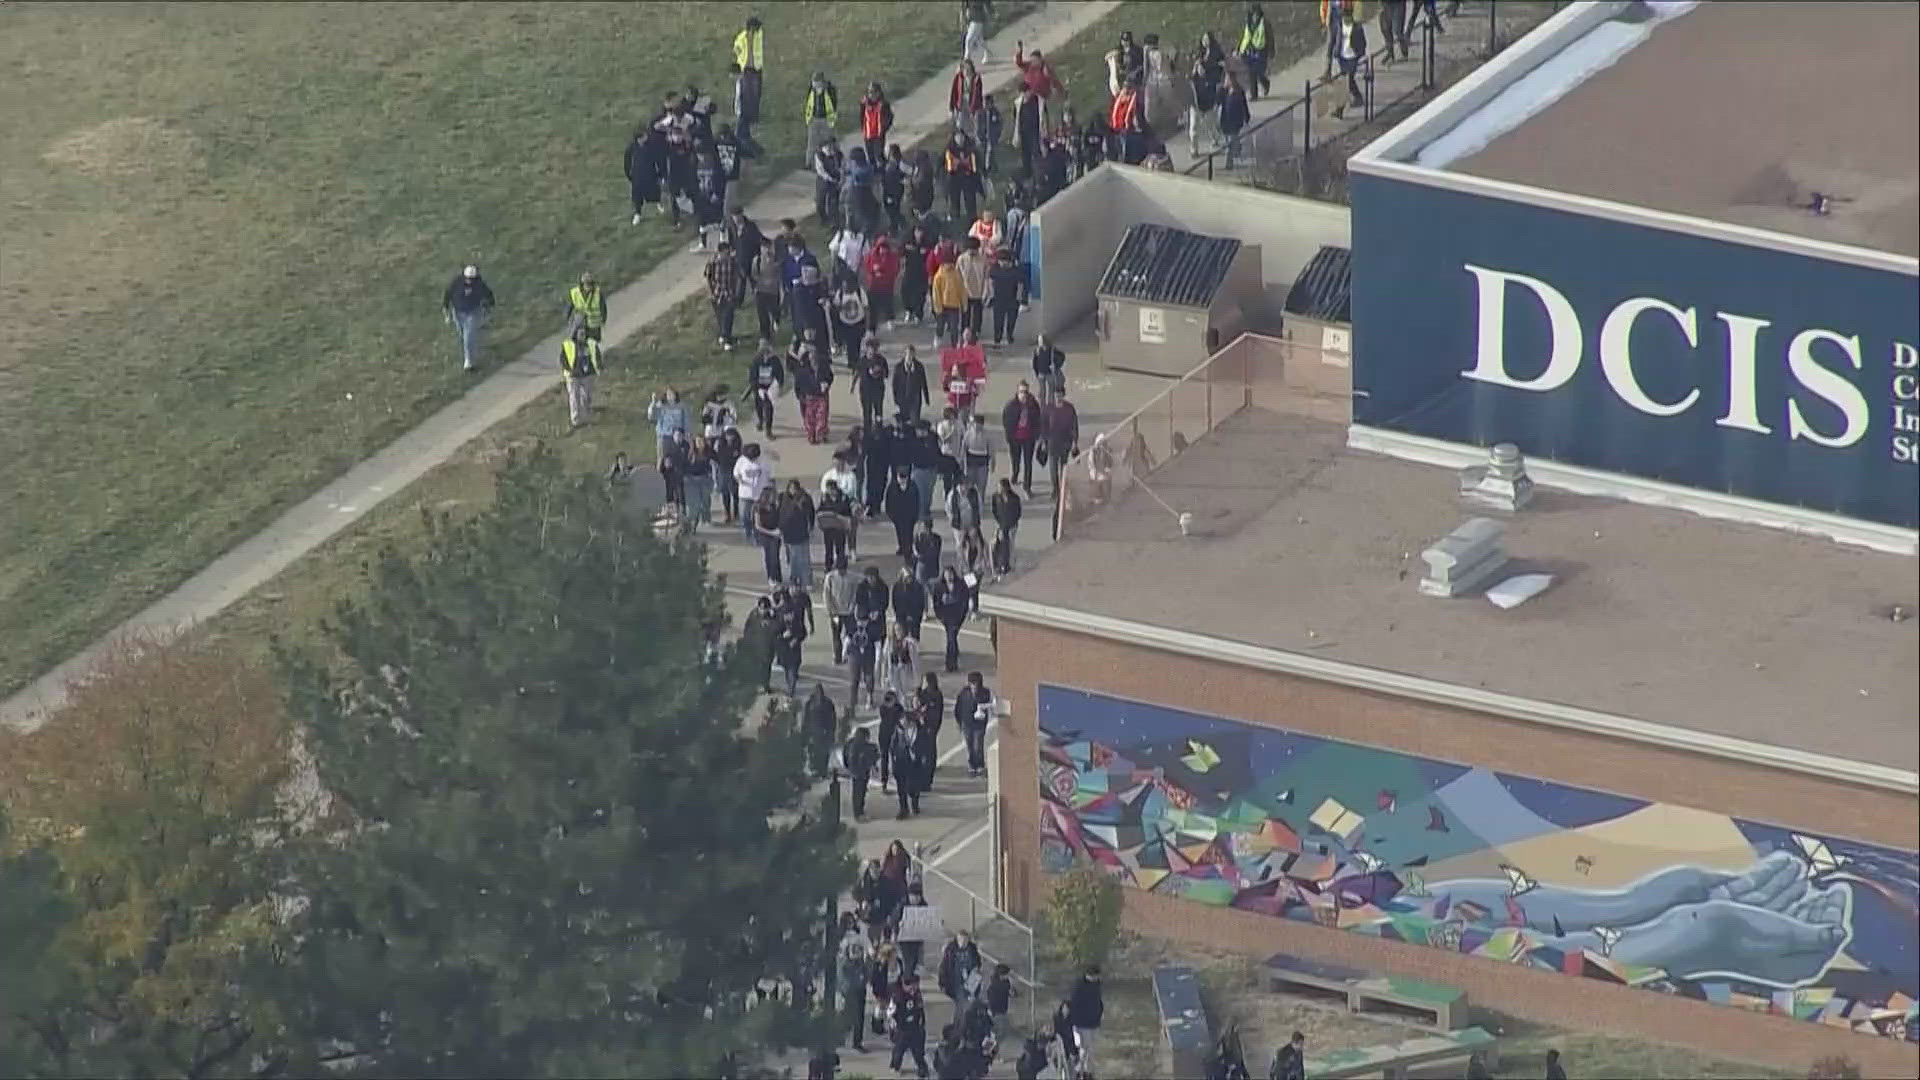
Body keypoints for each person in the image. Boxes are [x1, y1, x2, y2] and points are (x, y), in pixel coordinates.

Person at [443, 264, 496, 372]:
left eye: (472, 279)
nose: (469, 281)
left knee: (468, 336)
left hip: (472, 313)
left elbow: (488, 295)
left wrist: (489, 307)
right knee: (462, 335)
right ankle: (473, 348)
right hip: (458, 313)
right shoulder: (457, 283)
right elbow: (448, 294)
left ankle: (469, 362)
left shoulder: (479, 284)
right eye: (468, 279)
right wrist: (446, 309)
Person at [701, 238, 747, 351]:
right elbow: (708, 278)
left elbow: (741, 275)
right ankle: (723, 335)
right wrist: (711, 293)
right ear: (720, 252)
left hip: (729, 294)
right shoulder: (712, 263)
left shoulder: (732, 261)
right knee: (721, 317)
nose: (728, 255)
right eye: (726, 253)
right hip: (717, 294)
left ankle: (727, 339)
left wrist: (737, 290)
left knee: (728, 316)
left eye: (729, 252)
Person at [558, 321, 600, 429]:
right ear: (575, 333)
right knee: (574, 397)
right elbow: (563, 360)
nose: (582, 336)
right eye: (580, 333)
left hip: (587, 374)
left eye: (584, 333)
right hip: (573, 375)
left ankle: (586, 415)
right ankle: (576, 420)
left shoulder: (591, 343)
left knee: (586, 396)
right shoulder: (568, 345)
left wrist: (598, 367)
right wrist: (568, 369)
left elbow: (597, 356)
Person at [732, 15, 765, 151]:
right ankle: (746, 119)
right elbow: (736, 49)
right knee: (746, 95)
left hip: (756, 68)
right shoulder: (742, 37)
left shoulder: (759, 35)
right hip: (746, 69)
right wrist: (742, 59)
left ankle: (752, 115)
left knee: (756, 93)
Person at [937, 930, 984, 1022]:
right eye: (961, 940)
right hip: (956, 982)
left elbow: (977, 964)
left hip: (970, 982)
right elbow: (944, 967)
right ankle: (960, 1025)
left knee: (968, 1005)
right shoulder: (950, 950)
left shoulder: (972, 950)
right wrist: (942, 983)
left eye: (965, 940)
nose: (963, 943)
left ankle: (964, 1025)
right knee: (960, 1005)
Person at [889, 976, 930, 1079]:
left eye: (916, 985)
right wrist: (894, 1027)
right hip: (902, 1028)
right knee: (899, 1049)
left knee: (918, 1051)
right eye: (911, 985)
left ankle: (922, 1068)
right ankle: (895, 1065)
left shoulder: (917, 995)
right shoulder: (897, 996)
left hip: (915, 1027)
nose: (913, 988)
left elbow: (920, 1010)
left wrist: (921, 1023)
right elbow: (891, 1013)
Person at [779, 478, 816, 587]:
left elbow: (811, 513)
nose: (793, 491)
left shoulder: (805, 499)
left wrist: (811, 527)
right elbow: (781, 514)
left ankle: (806, 580)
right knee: (792, 559)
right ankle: (794, 579)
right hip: (788, 534)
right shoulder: (783, 498)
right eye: (791, 488)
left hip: (801, 533)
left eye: (795, 489)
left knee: (804, 559)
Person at [955, 670, 993, 776]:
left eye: (976, 684)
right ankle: (971, 765)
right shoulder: (963, 693)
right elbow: (958, 708)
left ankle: (979, 764)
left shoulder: (985, 692)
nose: (974, 686)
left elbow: (987, 705)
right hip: (966, 723)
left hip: (979, 724)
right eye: (972, 684)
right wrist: (959, 722)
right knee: (969, 745)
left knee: (978, 745)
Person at [931, 567, 969, 673]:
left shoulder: (960, 585)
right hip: (946, 616)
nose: (949, 577)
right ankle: (952, 661)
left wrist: (961, 616)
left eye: (950, 574)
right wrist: (940, 616)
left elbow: (964, 601)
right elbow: (936, 602)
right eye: (946, 574)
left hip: (957, 616)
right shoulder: (939, 586)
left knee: (951, 638)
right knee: (951, 638)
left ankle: (951, 662)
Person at [1043, 389, 1079, 499]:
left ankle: (1063, 487)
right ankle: (1055, 489)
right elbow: (1043, 426)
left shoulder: (1069, 408)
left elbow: (1074, 426)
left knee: (1063, 467)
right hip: (1052, 443)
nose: (1058, 398)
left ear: (1063, 396)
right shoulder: (1049, 409)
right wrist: (1044, 442)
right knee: (1053, 468)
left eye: (1059, 396)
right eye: (1056, 396)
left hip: (1065, 443)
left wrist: (1074, 442)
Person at [1067, 966, 1103, 1075]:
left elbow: (1097, 1001)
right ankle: (1081, 1070)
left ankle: (1086, 1070)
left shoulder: (1096, 985)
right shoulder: (1080, 987)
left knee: (1089, 1048)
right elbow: (1075, 1004)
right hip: (1083, 1023)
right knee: (1086, 1048)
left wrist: (1099, 1012)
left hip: (1094, 1022)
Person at [774, 584, 809, 696]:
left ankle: (791, 688)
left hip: (791, 645)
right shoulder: (779, 612)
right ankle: (791, 685)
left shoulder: (790, 611)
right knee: (788, 667)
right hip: (785, 645)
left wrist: (796, 638)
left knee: (791, 668)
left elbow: (801, 630)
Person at [986, 247, 1025, 347]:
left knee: (1011, 320)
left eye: (1004, 261)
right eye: (1000, 261)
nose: (1002, 263)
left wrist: (1019, 298)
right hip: (998, 299)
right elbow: (990, 281)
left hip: (1012, 299)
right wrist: (990, 295)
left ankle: (1009, 335)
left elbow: (1020, 284)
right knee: (998, 320)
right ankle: (997, 338)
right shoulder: (994, 269)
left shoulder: (1016, 271)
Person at [1331, 14, 1368, 120]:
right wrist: (1334, 52)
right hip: (1342, 58)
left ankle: (1340, 110)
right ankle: (1357, 97)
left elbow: (1363, 42)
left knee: (1346, 83)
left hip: (1352, 58)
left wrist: (1360, 54)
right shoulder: (1339, 26)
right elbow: (1334, 39)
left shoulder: (1357, 28)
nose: (1346, 20)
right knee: (1347, 82)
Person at [943, 130, 983, 226]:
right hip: (954, 179)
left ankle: (973, 221)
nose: (960, 139)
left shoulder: (970, 148)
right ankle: (955, 221)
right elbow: (942, 164)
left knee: (970, 200)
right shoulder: (949, 149)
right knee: (954, 201)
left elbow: (978, 162)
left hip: (968, 178)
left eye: (961, 137)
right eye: (957, 137)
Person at [749, 237, 785, 341]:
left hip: (773, 291)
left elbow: (780, 275)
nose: (766, 249)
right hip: (761, 291)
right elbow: (753, 274)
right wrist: (758, 283)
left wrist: (780, 287)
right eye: (763, 247)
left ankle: (776, 321)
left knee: (774, 310)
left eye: (768, 247)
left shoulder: (776, 259)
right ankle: (765, 335)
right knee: (762, 314)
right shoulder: (757, 260)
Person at [891, 711, 925, 819]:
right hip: (901, 762)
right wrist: (894, 758)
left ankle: (915, 804)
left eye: (904, 720)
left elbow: (924, 745)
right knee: (901, 788)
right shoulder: (898, 730)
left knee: (913, 787)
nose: (902, 722)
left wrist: (920, 755)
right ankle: (903, 809)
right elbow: (893, 745)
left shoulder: (919, 730)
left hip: (914, 763)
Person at [735, 442, 770, 542]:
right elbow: (736, 473)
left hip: (759, 495)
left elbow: (768, 475)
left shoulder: (764, 461)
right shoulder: (741, 461)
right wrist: (739, 479)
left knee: (758, 518)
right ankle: (747, 532)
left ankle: (757, 535)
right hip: (745, 494)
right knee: (744, 516)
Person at [832, 278, 870, 370]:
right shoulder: (840, 293)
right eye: (844, 287)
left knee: (857, 343)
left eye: (848, 287)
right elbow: (835, 309)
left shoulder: (859, 292)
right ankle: (852, 362)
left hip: (858, 323)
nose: (846, 289)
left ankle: (856, 362)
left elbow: (866, 309)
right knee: (850, 344)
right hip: (845, 324)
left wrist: (868, 327)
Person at [955, 238, 990, 339]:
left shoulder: (983, 259)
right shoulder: (961, 259)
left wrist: (986, 291)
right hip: (965, 292)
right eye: (970, 249)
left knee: (977, 314)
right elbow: (958, 275)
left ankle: (976, 332)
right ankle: (964, 331)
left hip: (978, 291)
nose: (972, 251)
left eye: (974, 249)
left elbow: (987, 276)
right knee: (965, 313)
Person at [803, 71, 839, 166]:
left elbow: (833, 103)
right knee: (811, 143)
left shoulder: (830, 90)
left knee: (828, 143)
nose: (815, 84)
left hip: (826, 120)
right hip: (813, 119)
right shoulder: (811, 90)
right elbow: (808, 103)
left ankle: (831, 162)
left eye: (817, 82)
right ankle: (809, 163)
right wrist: (808, 119)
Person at [842, 724, 878, 820]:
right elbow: (873, 757)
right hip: (862, 771)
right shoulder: (865, 746)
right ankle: (859, 812)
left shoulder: (849, 744)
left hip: (855, 771)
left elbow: (845, 757)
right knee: (860, 792)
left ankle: (858, 812)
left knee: (857, 792)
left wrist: (848, 768)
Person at [930, 255, 967, 348]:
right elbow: (936, 292)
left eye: (951, 263)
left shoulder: (956, 275)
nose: (949, 266)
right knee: (940, 325)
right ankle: (938, 337)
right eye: (947, 263)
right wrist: (938, 307)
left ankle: (954, 344)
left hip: (954, 305)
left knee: (954, 326)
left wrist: (964, 304)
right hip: (943, 305)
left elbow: (961, 290)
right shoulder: (939, 275)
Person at [818, 479, 856, 570]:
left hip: (840, 527)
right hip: (828, 528)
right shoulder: (824, 498)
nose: (830, 492)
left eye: (831, 489)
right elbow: (820, 510)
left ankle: (841, 566)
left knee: (840, 549)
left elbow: (848, 512)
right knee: (828, 549)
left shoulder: (843, 497)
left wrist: (840, 516)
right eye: (828, 490)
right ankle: (828, 567)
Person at [1218, 70, 1251, 171]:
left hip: (1235, 121)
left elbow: (1244, 105)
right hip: (1226, 121)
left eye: (1230, 78)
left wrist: (1246, 117)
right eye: (1227, 79)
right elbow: (1218, 101)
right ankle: (1237, 148)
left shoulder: (1239, 92)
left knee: (1230, 144)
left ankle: (1229, 165)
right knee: (1229, 142)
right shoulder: (1224, 91)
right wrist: (1221, 88)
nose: (1228, 81)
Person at [803, 682, 838, 777]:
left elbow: (805, 720)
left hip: (818, 733)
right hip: (820, 733)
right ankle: (820, 769)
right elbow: (832, 719)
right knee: (819, 753)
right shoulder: (824, 703)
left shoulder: (811, 703)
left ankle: (819, 769)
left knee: (818, 753)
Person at [1241, 1, 1274, 99]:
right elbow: (1246, 37)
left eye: (1256, 13)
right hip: (1252, 49)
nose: (1255, 16)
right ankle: (1254, 95)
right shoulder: (1249, 23)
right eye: (1253, 13)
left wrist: (1271, 50)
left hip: (1262, 50)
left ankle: (1265, 83)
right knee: (1252, 72)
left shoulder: (1265, 23)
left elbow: (1270, 36)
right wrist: (1241, 50)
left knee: (1259, 71)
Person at [860, 81, 896, 168]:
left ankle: (884, 171)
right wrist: (863, 128)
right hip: (868, 134)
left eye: (874, 92)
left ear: (879, 93)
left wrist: (884, 128)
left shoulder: (883, 104)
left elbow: (889, 117)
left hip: (878, 134)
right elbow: (861, 116)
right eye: (870, 92)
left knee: (879, 154)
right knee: (870, 156)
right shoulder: (864, 104)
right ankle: (874, 172)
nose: (872, 95)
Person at [887, 468, 922, 558]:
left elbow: (916, 501)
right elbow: (889, 501)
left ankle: (908, 548)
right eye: (900, 477)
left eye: (904, 477)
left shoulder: (912, 486)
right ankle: (901, 547)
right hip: (897, 515)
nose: (902, 480)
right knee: (899, 531)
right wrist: (891, 514)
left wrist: (916, 514)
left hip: (909, 515)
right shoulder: (893, 487)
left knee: (909, 531)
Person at [712, 424, 743, 523]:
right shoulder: (720, 444)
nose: (729, 437)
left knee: (735, 493)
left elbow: (739, 458)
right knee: (725, 493)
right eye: (727, 435)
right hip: (723, 471)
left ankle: (736, 513)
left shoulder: (738, 445)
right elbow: (717, 457)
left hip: (734, 471)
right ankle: (727, 513)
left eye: (731, 435)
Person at [564, 271, 606, 343]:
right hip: (580, 323)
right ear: (582, 284)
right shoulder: (575, 293)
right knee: (575, 341)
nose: (588, 287)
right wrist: (567, 318)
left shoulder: (598, 293)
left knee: (594, 344)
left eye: (590, 284)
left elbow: (603, 307)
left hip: (594, 325)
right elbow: (570, 306)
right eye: (586, 284)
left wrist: (603, 318)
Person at [893, 344, 932, 425]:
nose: (909, 356)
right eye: (907, 354)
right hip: (903, 397)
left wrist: (927, 398)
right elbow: (895, 384)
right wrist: (895, 398)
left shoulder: (919, 366)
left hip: (915, 398)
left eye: (911, 354)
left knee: (914, 420)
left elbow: (923, 383)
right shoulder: (899, 367)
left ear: (914, 355)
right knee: (904, 421)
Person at [683, 434, 714, 529]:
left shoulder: (708, 451)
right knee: (694, 503)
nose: (700, 444)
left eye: (702, 441)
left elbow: (717, 459)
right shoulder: (690, 452)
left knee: (705, 500)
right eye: (698, 441)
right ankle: (693, 521)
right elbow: (683, 463)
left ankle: (706, 518)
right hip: (691, 479)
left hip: (704, 479)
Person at [648, 387, 689, 460]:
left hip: (676, 436)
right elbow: (651, 416)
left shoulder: (681, 406)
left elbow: (686, 420)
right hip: (663, 436)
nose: (670, 396)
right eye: (668, 394)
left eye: (672, 394)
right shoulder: (661, 405)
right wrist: (653, 402)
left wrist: (686, 434)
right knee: (662, 459)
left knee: (677, 459)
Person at [884, 620, 920, 701]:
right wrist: (885, 676)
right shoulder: (889, 642)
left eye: (900, 630)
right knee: (894, 691)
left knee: (905, 693)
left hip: (905, 670)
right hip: (894, 670)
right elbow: (886, 660)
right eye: (896, 630)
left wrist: (917, 680)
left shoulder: (909, 643)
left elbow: (915, 662)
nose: (898, 632)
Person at [949, 59, 984, 142]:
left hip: (973, 105)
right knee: (961, 124)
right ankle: (961, 141)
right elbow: (954, 91)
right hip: (961, 104)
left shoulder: (976, 79)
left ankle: (974, 141)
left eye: (968, 70)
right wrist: (952, 107)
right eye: (965, 70)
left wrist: (976, 108)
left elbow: (977, 95)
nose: (966, 72)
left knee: (974, 125)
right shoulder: (959, 78)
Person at [814, 138, 846, 229]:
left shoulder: (839, 155)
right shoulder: (819, 156)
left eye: (832, 146)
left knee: (834, 201)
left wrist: (841, 180)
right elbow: (821, 170)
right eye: (828, 147)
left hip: (836, 179)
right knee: (820, 200)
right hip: (823, 179)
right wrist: (830, 179)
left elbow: (842, 167)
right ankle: (823, 219)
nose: (830, 148)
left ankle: (834, 221)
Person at [891, 563, 928, 640]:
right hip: (901, 615)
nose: (909, 580)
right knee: (902, 635)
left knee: (914, 636)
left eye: (910, 577)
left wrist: (914, 615)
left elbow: (919, 603)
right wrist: (899, 614)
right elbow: (895, 602)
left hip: (915, 616)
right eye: (907, 577)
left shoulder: (918, 587)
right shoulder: (897, 587)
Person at [958, 416, 993, 496]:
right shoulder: (968, 434)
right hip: (971, 463)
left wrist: (992, 461)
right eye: (975, 424)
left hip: (982, 463)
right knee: (969, 485)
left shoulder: (987, 434)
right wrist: (961, 461)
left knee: (981, 486)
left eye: (979, 424)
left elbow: (990, 448)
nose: (977, 426)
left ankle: (980, 503)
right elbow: (963, 448)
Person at [991, 477, 1022, 562]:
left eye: (1000, 487)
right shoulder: (995, 497)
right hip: (1000, 524)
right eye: (998, 487)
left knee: (1011, 543)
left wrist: (1013, 522)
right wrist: (998, 522)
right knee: (999, 541)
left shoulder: (1015, 498)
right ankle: (1000, 560)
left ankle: (1011, 561)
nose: (999, 489)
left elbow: (1018, 512)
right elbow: (994, 510)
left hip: (1012, 525)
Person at [961, 0, 992, 65]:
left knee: (969, 40)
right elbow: (966, 7)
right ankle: (987, 53)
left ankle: (967, 58)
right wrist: (964, 18)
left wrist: (988, 20)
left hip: (978, 20)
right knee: (980, 40)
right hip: (971, 19)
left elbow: (987, 7)